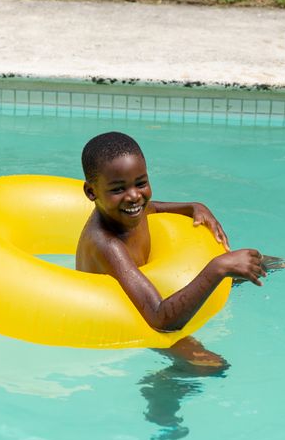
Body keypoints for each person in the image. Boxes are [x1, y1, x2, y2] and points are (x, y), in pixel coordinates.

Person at [75, 131, 269, 373]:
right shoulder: (107, 245)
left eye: (141, 183)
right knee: (210, 367)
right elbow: (160, 320)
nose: (134, 196)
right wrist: (219, 267)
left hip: (142, 294)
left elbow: (153, 207)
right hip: (124, 318)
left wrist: (194, 207)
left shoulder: (131, 208)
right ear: (91, 192)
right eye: (118, 189)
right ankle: (159, 389)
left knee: (258, 264)